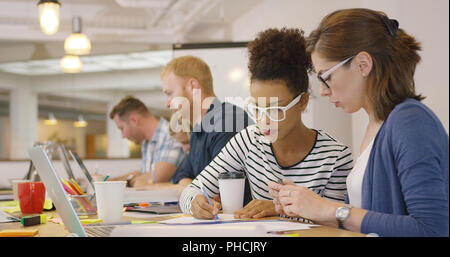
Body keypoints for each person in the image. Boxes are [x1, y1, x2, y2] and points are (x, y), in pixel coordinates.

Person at [269, 8, 449, 237]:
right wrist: (307, 209)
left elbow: (431, 229)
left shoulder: (410, 121)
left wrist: (331, 209)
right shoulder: (377, 126)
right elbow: (368, 222)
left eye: (327, 77)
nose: (323, 91)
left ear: (363, 64)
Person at [179, 28, 354, 220]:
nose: (264, 120)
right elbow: (190, 191)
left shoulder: (335, 158)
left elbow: (338, 223)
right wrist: (196, 202)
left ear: (302, 102)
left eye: (275, 109)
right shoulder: (249, 141)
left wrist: (279, 208)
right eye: (257, 108)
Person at [161, 55, 254, 203]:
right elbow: (182, 175)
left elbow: (218, 193)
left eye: (169, 94)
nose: (167, 104)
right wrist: (191, 189)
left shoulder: (228, 121)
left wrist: (192, 191)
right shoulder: (198, 130)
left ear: (193, 86)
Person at [108, 96, 186, 187]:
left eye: (122, 128)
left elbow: (155, 178)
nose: (123, 135)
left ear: (134, 120)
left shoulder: (171, 135)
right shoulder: (146, 142)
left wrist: (128, 181)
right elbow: (143, 173)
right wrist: (112, 181)